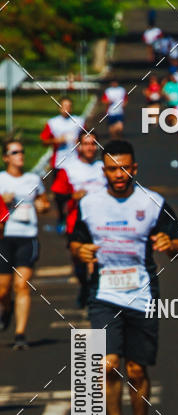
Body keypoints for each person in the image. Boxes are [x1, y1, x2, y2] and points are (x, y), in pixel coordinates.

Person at [68, 140, 178, 415]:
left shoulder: (153, 202)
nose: (118, 175)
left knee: (135, 370)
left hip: (142, 292)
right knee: (108, 364)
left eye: (124, 168)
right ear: (103, 171)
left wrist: (170, 244)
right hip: (103, 292)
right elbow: (76, 242)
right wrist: (80, 251)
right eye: (111, 169)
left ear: (133, 169)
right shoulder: (89, 204)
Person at [0, 139, 50, 348]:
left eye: (21, 151)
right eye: (14, 152)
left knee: (22, 285)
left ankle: (20, 334)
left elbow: (45, 202)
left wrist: (42, 206)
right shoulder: (1, 179)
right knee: (3, 289)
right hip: (4, 237)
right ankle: (7, 307)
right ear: (6, 158)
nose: (20, 155)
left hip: (27, 237)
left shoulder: (33, 179)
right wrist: (2, 199)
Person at [51, 130, 106, 308]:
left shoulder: (103, 168)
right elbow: (58, 195)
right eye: (86, 143)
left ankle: (96, 292)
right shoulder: (69, 168)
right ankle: (84, 284)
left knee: (98, 259)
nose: (90, 147)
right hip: (76, 222)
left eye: (93, 144)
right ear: (79, 146)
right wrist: (72, 197)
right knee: (79, 261)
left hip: (101, 222)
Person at [40, 96, 85, 233]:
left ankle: (75, 219)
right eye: (63, 106)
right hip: (59, 163)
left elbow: (86, 137)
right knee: (59, 194)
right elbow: (44, 140)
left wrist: (79, 141)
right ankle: (61, 217)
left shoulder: (79, 121)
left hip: (75, 163)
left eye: (69, 106)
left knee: (75, 192)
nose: (66, 109)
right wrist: (56, 140)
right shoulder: (53, 123)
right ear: (59, 108)